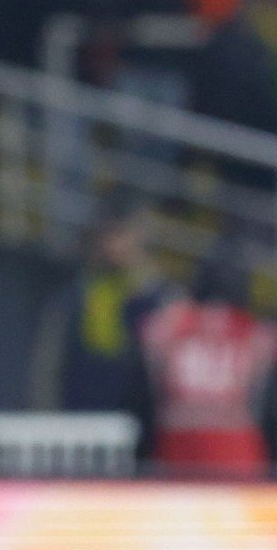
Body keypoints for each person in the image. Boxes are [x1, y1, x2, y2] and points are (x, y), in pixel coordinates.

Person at [127, 252, 277, 476]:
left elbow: (147, 358)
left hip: (178, 440)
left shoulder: (168, 325)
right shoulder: (257, 332)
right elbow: (261, 397)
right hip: (237, 444)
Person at [29, 202, 181, 411]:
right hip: (84, 416)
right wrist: (47, 413)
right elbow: (49, 364)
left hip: (141, 418)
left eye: (119, 235)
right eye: (106, 236)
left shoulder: (163, 298)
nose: (111, 245)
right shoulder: (78, 296)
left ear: (139, 238)